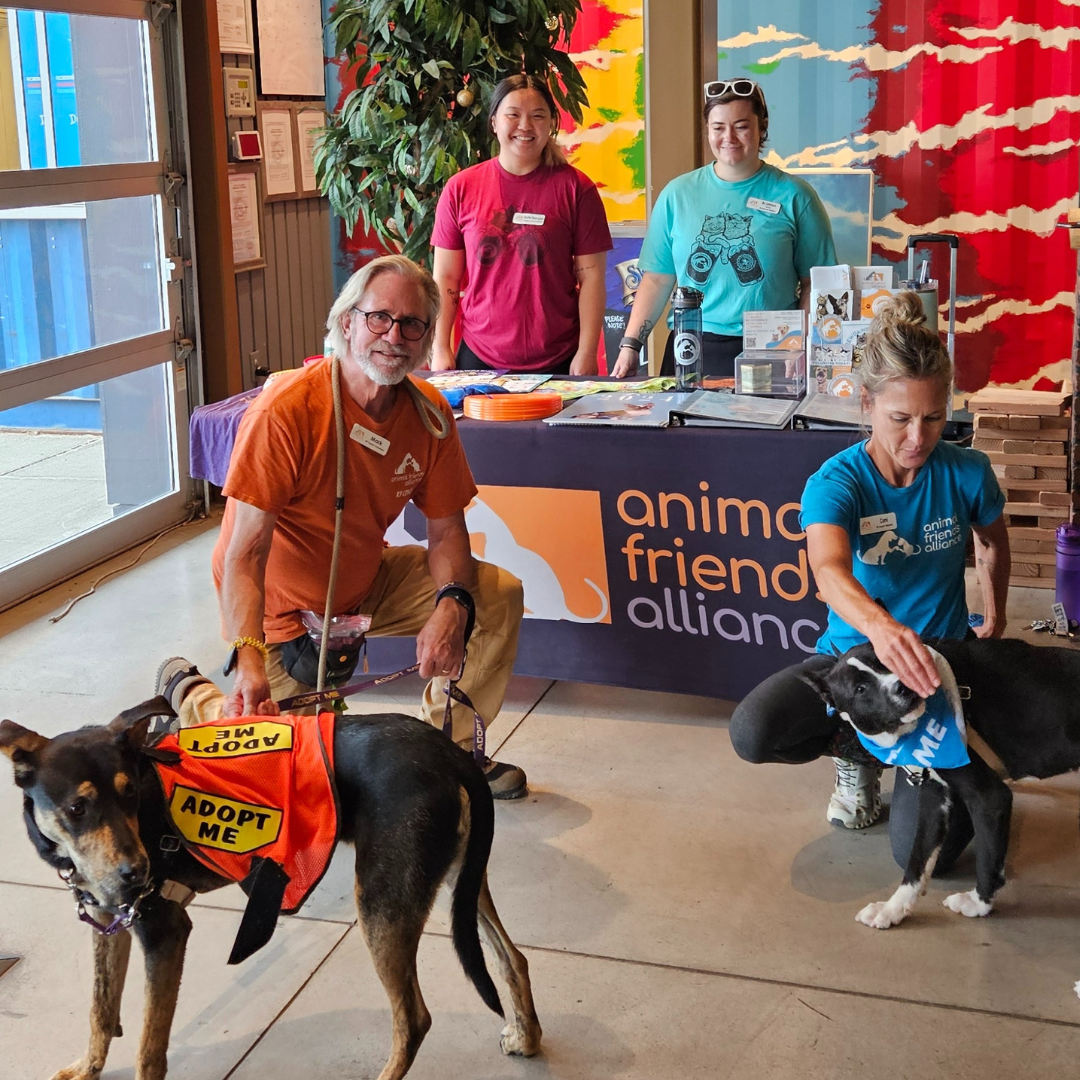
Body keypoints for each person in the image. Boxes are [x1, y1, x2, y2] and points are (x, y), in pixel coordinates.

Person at [157, 255, 529, 799]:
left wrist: (452, 603)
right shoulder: (286, 411)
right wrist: (250, 655)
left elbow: (447, 531)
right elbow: (244, 553)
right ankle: (193, 694)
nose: (393, 336)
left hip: (360, 585)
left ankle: (441, 755)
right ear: (347, 323)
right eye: (379, 317)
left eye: (412, 324)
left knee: (492, 594)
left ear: (428, 338)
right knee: (300, 781)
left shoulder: (428, 415)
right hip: (280, 615)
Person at [728, 292, 1011, 868]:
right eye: (900, 418)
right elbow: (828, 571)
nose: (918, 438)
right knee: (752, 731)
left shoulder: (968, 472)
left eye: (933, 418)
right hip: (856, 659)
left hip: (939, 666)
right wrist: (882, 631)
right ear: (866, 403)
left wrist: (995, 617)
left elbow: (991, 542)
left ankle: (927, 756)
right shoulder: (837, 481)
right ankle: (859, 751)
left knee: (921, 856)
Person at [611, 79, 836, 380]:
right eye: (718, 127)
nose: (729, 137)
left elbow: (817, 284)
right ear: (707, 129)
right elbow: (656, 279)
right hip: (693, 346)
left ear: (762, 127)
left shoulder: (795, 196)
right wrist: (630, 346)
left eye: (741, 126)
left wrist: (807, 347)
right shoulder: (678, 195)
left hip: (774, 348)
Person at [431, 73, 613, 376]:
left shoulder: (577, 189)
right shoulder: (461, 187)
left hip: (560, 358)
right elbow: (446, 277)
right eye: (512, 115)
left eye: (537, 116)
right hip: (479, 357)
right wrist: (439, 348)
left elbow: (592, 278)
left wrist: (587, 352)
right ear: (494, 122)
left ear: (552, 123)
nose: (525, 126)